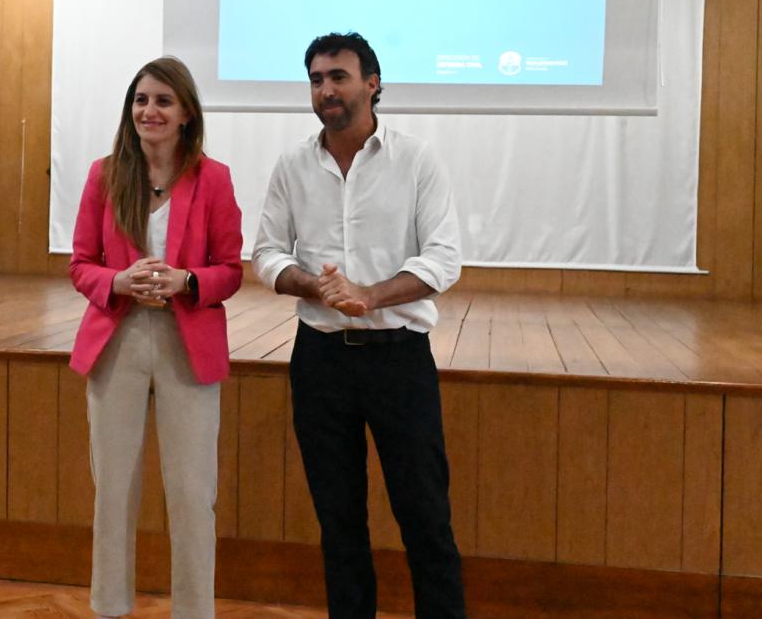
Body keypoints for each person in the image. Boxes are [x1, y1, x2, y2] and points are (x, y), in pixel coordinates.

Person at [252, 32, 466, 618]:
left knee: (425, 517)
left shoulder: (416, 160)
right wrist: (315, 286)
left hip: (399, 358)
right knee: (338, 522)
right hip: (320, 360)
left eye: (338, 77)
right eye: (316, 80)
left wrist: (369, 296)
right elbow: (267, 253)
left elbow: (444, 259)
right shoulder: (293, 165)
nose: (326, 90)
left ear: (372, 83)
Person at [69, 56, 243, 619]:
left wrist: (187, 281)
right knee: (113, 490)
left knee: (192, 494)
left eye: (164, 101)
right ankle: (109, 607)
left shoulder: (213, 178)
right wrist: (117, 281)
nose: (150, 111)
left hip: (186, 342)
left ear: (187, 113)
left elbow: (230, 271)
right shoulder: (104, 175)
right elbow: (80, 264)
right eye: (141, 100)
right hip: (117, 340)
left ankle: (194, 611)